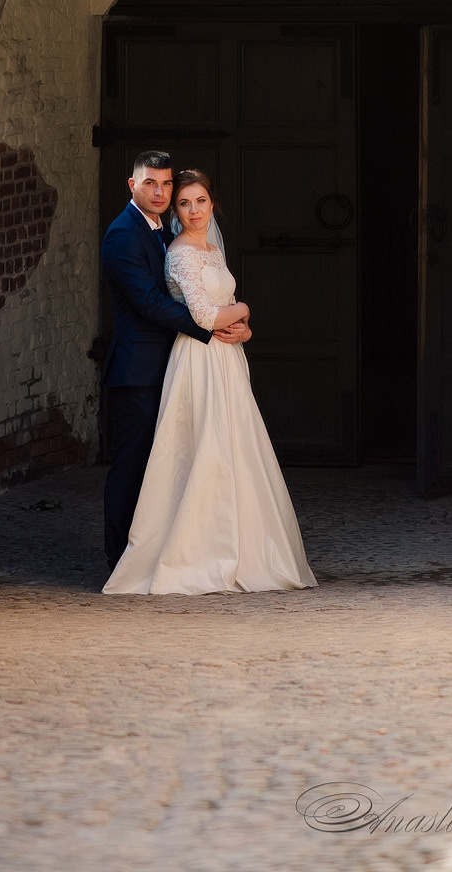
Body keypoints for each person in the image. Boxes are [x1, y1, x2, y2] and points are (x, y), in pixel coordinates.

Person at [104, 168, 317, 596]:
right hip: (198, 358)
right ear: (175, 210)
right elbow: (203, 315)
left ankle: (238, 544)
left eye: (200, 201)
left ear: (213, 203)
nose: (193, 210)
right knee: (201, 450)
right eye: (185, 203)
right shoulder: (178, 251)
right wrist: (246, 309)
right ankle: (186, 553)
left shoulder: (212, 249)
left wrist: (244, 330)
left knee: (234, 448)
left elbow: (222, 304)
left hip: (226, 358)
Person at [100, 151, 251, 572]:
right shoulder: (122, 235)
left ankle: (166, 550)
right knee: (133, 466)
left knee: (170, 464)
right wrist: (214, 325)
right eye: (151, 183)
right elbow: (150, 303)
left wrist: (237, 324)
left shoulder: (166, 232)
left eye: (166, 184)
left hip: (175, 363)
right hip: (139, 369)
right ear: (133, 185)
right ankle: (121, 561)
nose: (160, 192)